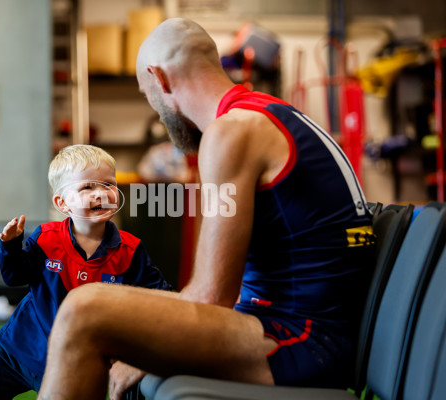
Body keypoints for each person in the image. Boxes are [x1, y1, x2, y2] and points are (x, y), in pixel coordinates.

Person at [37, 18, 376, 400]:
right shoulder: (265, 114)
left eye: (146, 93)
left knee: (86, 309)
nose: (155, 109)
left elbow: (211, 297)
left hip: (301, 341)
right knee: (100, 299)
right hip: (294, 329)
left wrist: (150, 352)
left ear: (159, 79)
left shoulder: (232, 132)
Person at [0, 144, 171, 400]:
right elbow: (15, 276)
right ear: (62, 202)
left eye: (108, 184)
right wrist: (10, 246)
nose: (101, 193)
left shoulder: (130, 250)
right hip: (22, 342)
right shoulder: (46, 239)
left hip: (75, 357)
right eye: (87, 187)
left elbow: (159, 297)